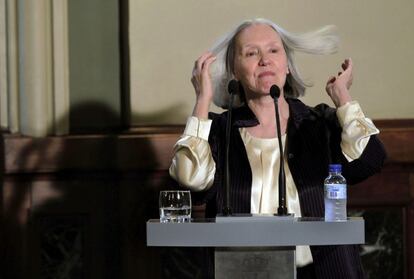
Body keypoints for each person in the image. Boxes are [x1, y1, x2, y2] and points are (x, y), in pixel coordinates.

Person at [169, 18, 386, 279]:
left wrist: (343, 98)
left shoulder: (318, 124)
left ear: (287, 66)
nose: (264, 60)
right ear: (234, 71)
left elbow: (371, 158)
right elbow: (189, 179)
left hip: (321, 271)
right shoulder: (219, 131)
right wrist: (202, 100)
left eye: (273, 50)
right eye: (251, 53)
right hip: (243, 272)